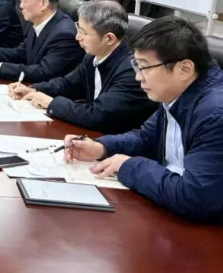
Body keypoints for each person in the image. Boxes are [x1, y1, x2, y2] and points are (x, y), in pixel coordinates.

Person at [63, 17, 223, 223]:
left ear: (184, 69)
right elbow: (145, 137)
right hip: (172, 210)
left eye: (144, 67)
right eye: (136, 66)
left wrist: (129, 166)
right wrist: (102, 147)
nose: (138, 77)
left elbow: (195, 197)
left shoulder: (214, 114)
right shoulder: (179, 92)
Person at [10, 0, 157, 134]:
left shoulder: (131, 70)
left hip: (118, 141)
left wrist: (51, 103)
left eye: (83, 32)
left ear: (109, 38)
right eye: (78, 29)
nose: (77, 37)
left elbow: (99, 115)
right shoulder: (92, 57)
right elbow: (67, 84)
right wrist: (33, 89)